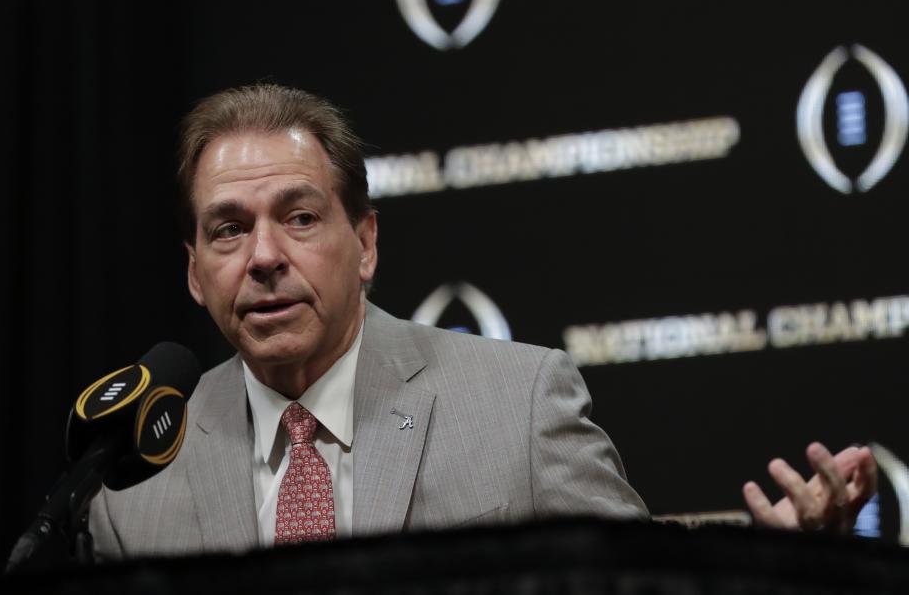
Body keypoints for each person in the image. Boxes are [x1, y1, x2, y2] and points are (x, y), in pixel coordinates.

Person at [88, 83, 876, 556]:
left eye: (299, 217)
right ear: (195, 272)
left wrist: (782, 569)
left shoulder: (520, 403)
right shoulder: (134, 489)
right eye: (228, 228)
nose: (263, 256)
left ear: (363, 243)